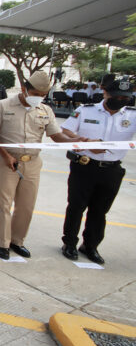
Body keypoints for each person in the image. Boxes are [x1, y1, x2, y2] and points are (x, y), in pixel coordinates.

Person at [0, 72, 81, 260]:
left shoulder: (45, 111)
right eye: (35, 93)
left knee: (26, 206)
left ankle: (17, 241)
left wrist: (80, 141)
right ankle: (2, 243)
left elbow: (56, 135)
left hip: (32, 163)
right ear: (24, 89)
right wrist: (5, 155)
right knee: (4, 204)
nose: (39, 98)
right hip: (7, 162)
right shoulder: (3, 106)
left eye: (43, 95)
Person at [59, 75, 136, 264]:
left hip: (111, 170)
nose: (121, 100)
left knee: (100, 210)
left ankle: (90, 246)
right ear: (106, 92)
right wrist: (84, 141)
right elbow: (66, 130)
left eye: (125, 97)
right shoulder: (85, 111)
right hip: (84, 166)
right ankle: (69, 243)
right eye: (117, 96)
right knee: (76, 207)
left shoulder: (132, 115)